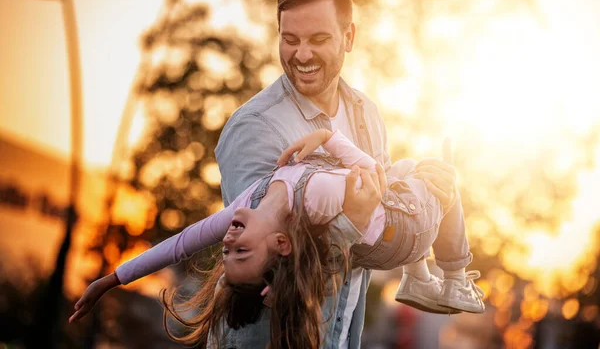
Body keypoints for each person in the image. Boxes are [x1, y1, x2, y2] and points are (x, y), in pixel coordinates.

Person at [213, 0, 459, 348]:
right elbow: (264, 268)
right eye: (289, 39)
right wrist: (357, 222)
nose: (302, 55)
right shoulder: (255, 129)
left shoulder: (366, 114)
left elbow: (378, 225)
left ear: (349, 37)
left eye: (318, 39)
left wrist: (424, 195)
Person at [69, 128, 483, 348]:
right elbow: (371, 175)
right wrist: (328, 138)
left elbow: (181, 243)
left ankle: (420, 278)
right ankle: (455, 277)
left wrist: (111, 280)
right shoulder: (317, 201)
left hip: (384, 223)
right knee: (438, 174)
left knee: (407, 165)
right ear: (281, 245)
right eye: (241, 251)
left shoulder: (250, 204)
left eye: (227, 251)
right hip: (402, 229)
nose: (229, 240)